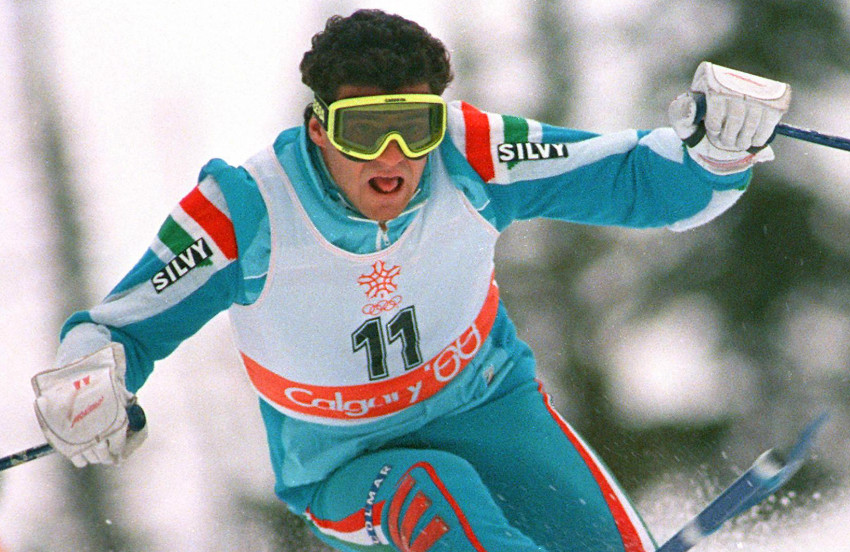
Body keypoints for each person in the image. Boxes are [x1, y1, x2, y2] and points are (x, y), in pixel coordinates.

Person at [30, 9, 790, 552]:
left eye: (416, 126)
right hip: (346, 466)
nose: (393, 156)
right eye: (365, 131)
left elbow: (634, 178)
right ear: (319, 126)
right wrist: (87, 384)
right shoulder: (246, 208)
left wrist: (716, 153)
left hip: (489, 407)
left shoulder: (470, 153)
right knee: (435, 491)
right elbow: (117, 326)